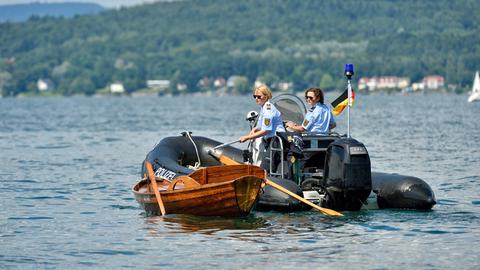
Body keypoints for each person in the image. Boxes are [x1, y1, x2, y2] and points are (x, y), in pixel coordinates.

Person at [239, 84, 286, 171]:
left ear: (266, 96)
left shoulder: (268, 109)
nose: (256, 99)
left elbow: (266, 130)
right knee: (269, 167)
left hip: (276, 141)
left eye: (259, 96)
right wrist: (254, 129)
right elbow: (261, 126)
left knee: (265, 168)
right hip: (270, 141)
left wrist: (247, 137)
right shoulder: (263, 108)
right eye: (255, 96)